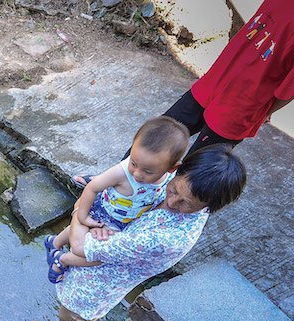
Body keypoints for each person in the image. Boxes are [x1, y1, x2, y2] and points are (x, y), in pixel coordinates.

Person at [8, 145, 247, 321]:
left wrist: (80, 209)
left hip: (95, 288)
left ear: (210, 205)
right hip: (95, 268)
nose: (172, 201)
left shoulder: (168, 239)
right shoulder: (161, 179)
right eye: (174, 189)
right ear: (176, 170)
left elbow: (79, 246)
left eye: (186, 203)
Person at [74, 0, 292, 189]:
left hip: (245, 102)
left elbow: (289, 89)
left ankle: (149, 217)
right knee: (161, 132)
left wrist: (265, 111)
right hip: (218, 79)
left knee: (195, 168)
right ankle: (111, 181)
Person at [47, 117, 190, 283]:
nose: (137, 174)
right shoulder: (121, 173)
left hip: (123, 221)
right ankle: (60, 257)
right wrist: (83, 217)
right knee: (97, 256)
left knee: (94, 246)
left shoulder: (170, 178)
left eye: (148, 171)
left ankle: (54, 244)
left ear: (171, 168)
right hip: (102, 213)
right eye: (134, 163)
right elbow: (92, 187)